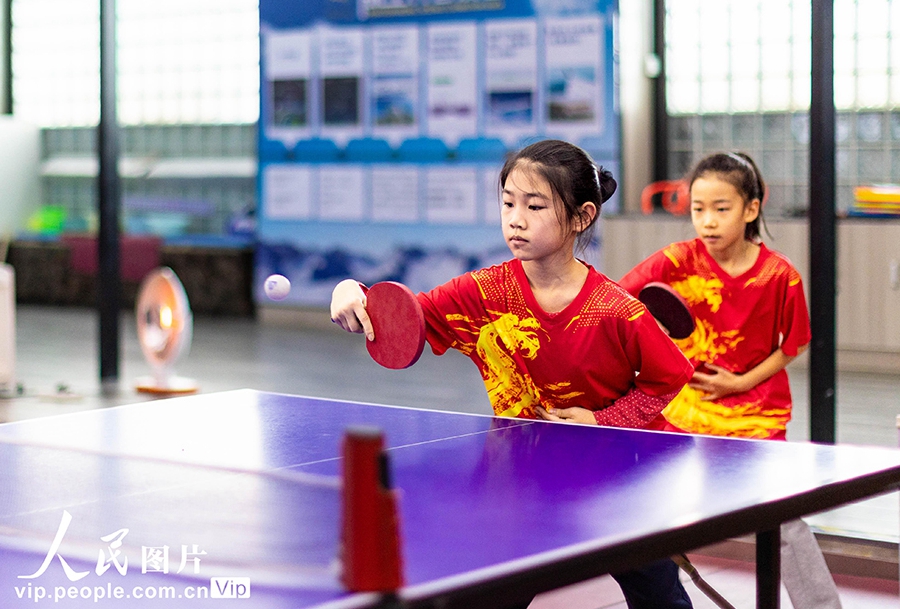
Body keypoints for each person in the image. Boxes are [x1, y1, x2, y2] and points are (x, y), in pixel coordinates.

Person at [331, 139, 695, 609]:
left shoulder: (615, 311)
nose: (515, 218)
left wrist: (602, 421)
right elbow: (407, 321)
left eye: (535, 205)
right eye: (507, 203)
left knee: (661, 600)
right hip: (522, 479)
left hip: (615, 478)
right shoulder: (484, 292)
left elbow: (667, 378)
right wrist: (353, 292)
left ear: (583, 217)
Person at [618, 151, 842, 609]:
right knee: (646, 511)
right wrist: (654, 337)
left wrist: (739, 384)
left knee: (782, 521)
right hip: (684, 412)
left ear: (751, 209)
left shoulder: (780, 276)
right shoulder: (675, 261)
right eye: (698, 209)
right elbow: (617, 304)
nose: (708, 221)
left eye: (721, 209)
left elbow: (793, 344)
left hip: (755, 416)